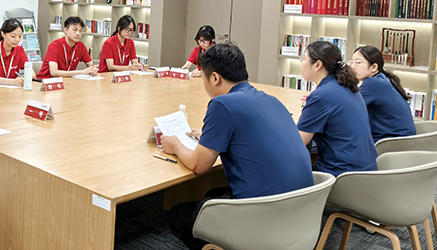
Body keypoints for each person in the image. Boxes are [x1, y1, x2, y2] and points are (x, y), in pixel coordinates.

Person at [161, 43, 314, 250]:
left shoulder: (222, 104)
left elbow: (199, 165)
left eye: (204, 78)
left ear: (215, 78)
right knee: (212, 195)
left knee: (178, 215)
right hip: (302, 213)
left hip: (263, 217)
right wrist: (210, 138)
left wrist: (176, 145)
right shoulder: (272, 100)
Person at [298, 41, 378, 176]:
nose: (301, 63)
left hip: (342, 175)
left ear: (317, 65)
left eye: (304, 59)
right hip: (367, 172)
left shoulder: (321, 96)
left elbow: (298, 142)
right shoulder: (348, 86)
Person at [351, 45, 415, 142]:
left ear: (374, 67)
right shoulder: (381, 79)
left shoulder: (373, 83)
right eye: (352, 62)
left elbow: (349, 107)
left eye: (358, 62)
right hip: (400, 140)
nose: (352, 67)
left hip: (391, 142)